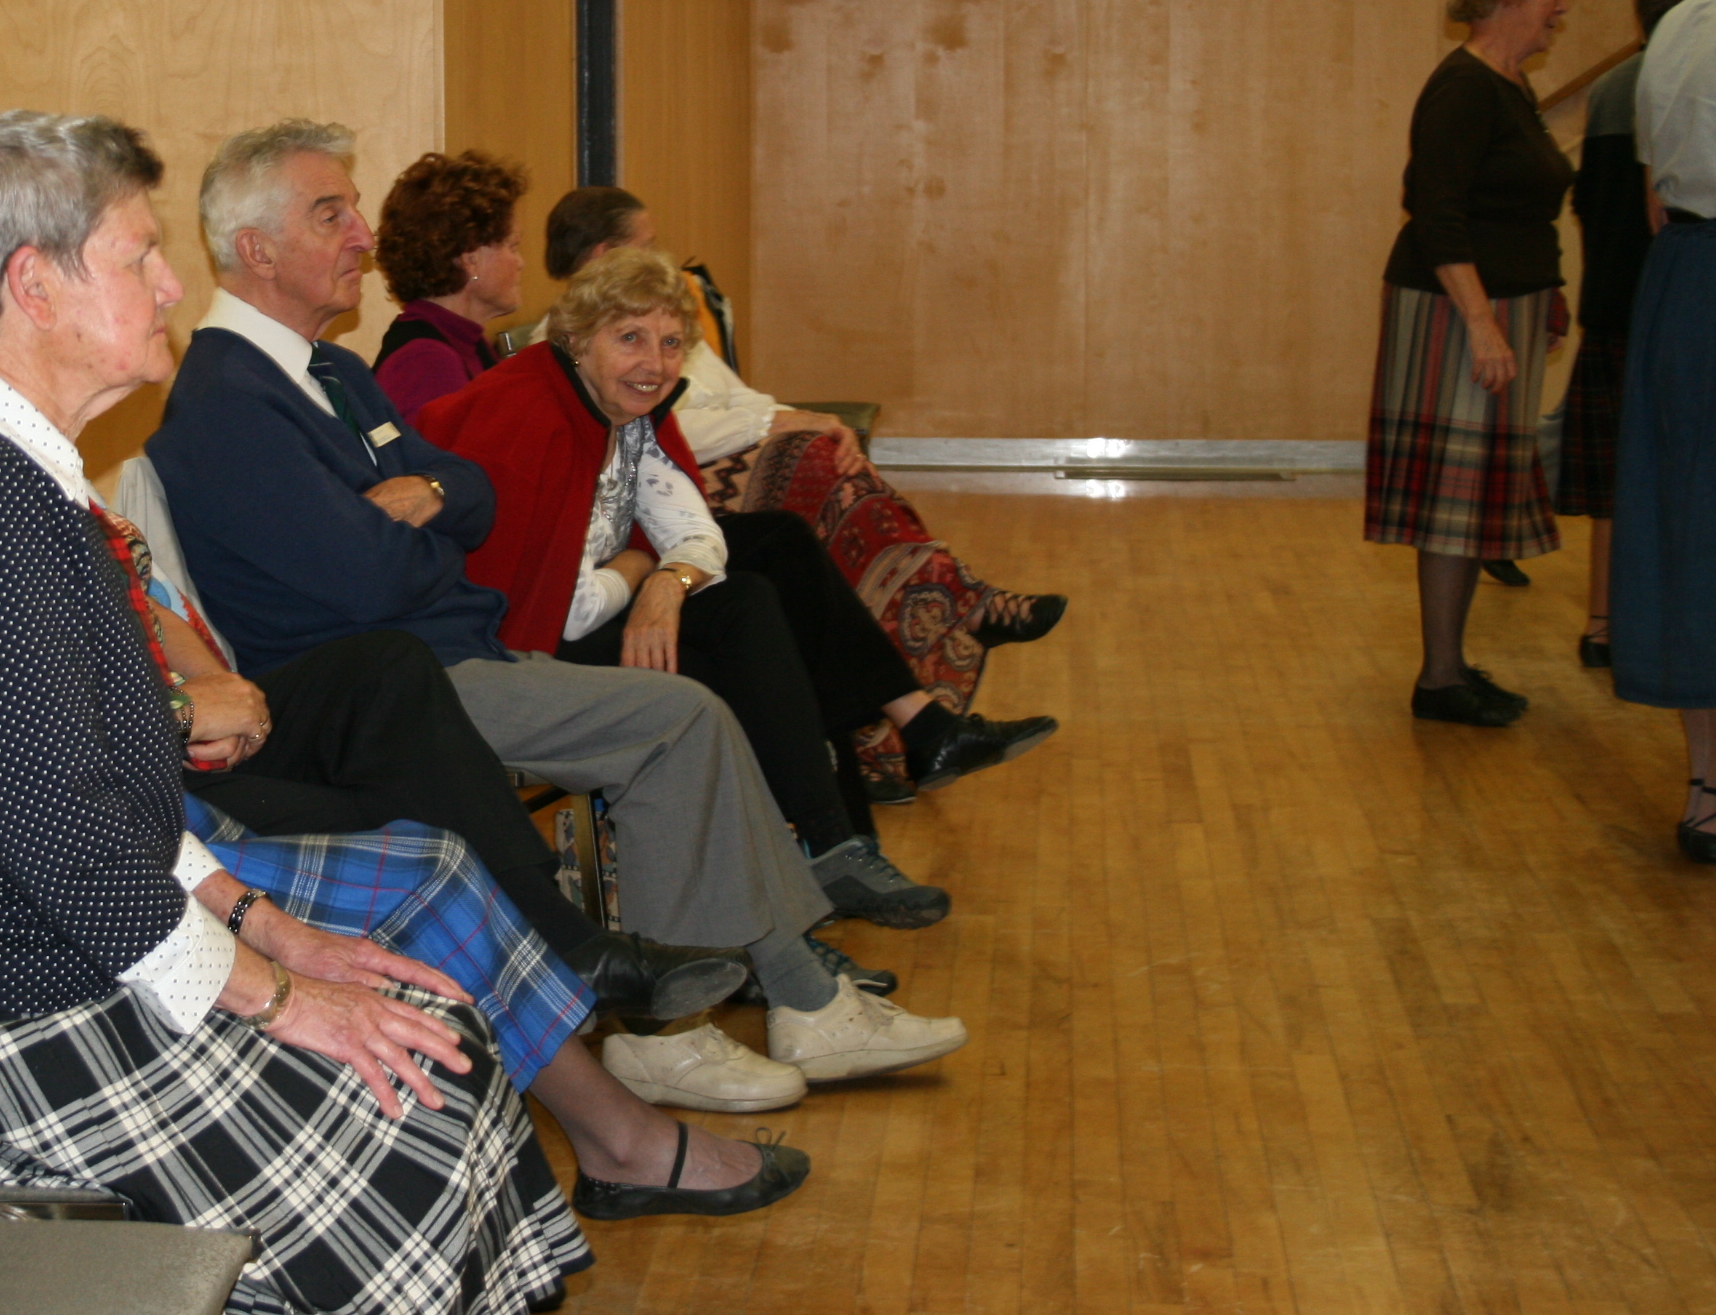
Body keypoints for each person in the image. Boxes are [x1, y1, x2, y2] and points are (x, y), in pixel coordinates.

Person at [0, 113, 652, 1315]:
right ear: (33, 285)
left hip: (20, 955)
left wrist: (265, 924)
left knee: (428, 1040)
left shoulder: (7, 473)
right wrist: (278, 997)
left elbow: (104, 795)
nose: (172, 284)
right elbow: (67, 842)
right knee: (393, 1123)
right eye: (138, 255)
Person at [0, 163, 813, 1144]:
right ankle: (599, 1089)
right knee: (421, 829)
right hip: (9, 902)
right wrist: (186, 734)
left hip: (109, 810)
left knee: (406, 738)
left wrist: (193, 691)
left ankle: (615, 1068)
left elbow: (103, 644)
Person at [150, 118, 974, 1090]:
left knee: (695, 708)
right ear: (255, 249)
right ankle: (689, 1031)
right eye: (331, 214)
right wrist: (434, 530)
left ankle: (792, 1004)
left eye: (354, 211)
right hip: (401, 687)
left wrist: (431, 498)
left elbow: (473, 494)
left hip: (455, 651)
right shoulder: (228, 400)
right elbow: (369, 579)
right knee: (680, 719)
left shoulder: (331, 370)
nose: (362, 238)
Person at [417, 244, 1053, 928]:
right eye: (630, 338)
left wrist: (670, 578)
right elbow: (566, 609)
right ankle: (822, 853)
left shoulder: (621, 409)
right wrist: (644, 569)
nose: (654, 363)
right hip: (512, 649)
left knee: (771, 557)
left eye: (669, 343)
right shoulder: (529, 417)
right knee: (747, 631)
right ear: (576, 339)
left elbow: (694, 529)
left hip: (585, 599)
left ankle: (840, 837)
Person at [534, 187, 1064, 795]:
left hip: (670, 508)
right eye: (649, 245)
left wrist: (792, 419)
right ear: (604, 255)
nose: (665, 257)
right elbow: (669, 431)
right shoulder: (585, 343)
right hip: (633, 541)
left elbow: (727, 406)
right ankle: (935, 653)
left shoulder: (654, 321)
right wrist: (775, 428)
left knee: (808, 500)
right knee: (812, 492)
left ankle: (916, 720)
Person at [1367, 0, 1575, 726]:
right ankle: (1441, 678)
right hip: (1454, 311)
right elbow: (1438, 211)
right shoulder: (1463, 86)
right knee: (1454, 499)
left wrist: (1546, 293)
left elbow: (1521, 207)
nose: (1561, 6)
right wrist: (1484, 322)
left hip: (1496, 305)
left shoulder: (1508, 85)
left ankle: (1448, 669)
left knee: (1473, 495)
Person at [1559, 0, 1716, 667]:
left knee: (1620, 483)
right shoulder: (1681, 68)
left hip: (1619, 300)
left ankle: (1603, 623)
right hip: (1672, 299)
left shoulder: (1614, 88)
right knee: (1677, 483)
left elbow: (1590, 202)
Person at [1625, 0, 1716, 860]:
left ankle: (1704, 786)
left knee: (1691, 531)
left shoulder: (1677, 26)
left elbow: (1655, 193)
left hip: (1683, 279)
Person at [372, 149, 526, 420]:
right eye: (512, 247)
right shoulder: (426, 362)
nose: (520, 262)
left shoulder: (467, 342)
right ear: (471, 259)